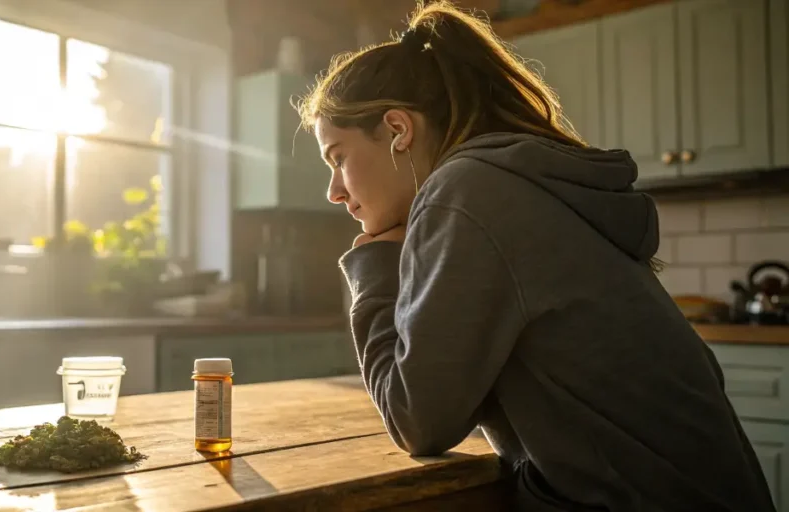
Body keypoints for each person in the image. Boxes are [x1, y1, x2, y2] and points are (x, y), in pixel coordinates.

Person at [296, 2, 774, 511]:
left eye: (338, 158)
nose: (333, 191)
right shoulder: (507, 184)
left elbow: (417, 421)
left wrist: (374, 267)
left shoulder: (467, 192)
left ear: (397, 130)